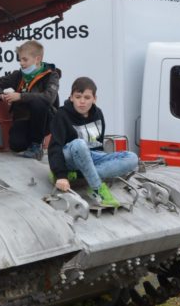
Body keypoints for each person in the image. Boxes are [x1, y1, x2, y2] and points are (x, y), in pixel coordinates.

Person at [48, 77, 138, 208]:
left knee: (132, 158)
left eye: (87, 97)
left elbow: (98, 145)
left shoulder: (98, 113)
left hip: (91, 156)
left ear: (94, 99)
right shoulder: (62, 115)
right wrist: (61, 175)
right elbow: (55, 147)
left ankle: (83, 174)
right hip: (69, 158)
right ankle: (97, 188)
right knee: (79, 144)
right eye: (78, 97)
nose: (82, 101)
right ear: (71, 97)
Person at [0, 40, 61, 161]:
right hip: (23, 118)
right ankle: (31, 145)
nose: (21, 63)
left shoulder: (52, 75)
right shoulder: (18, 75)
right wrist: (0, 95)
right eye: (20, 59)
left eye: (25, 60)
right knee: (16, 145)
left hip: (45, 120)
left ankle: (37, 145)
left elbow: (49, 98)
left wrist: (21, 96)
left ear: (37, 59)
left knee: (39, 102)